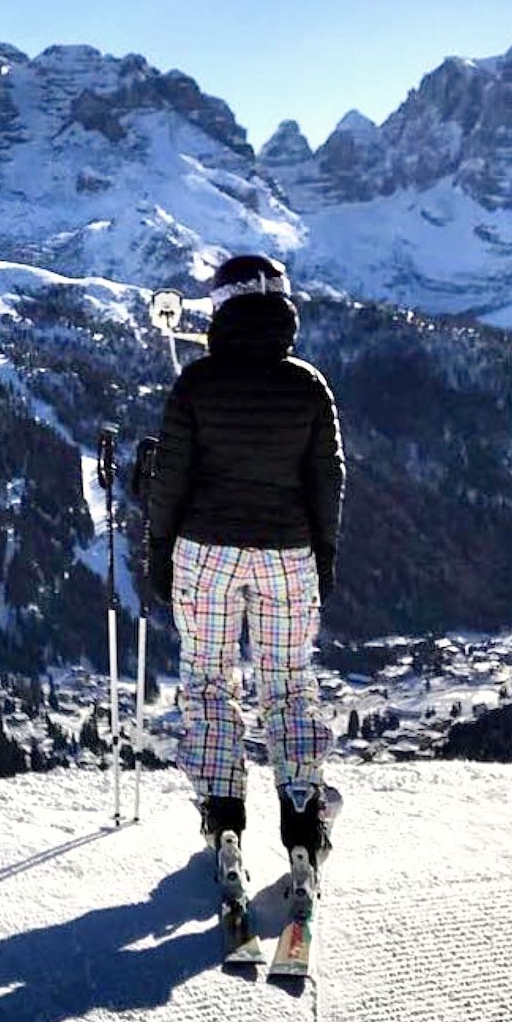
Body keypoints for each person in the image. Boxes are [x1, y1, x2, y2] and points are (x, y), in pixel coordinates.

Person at [142, 253, 345, 920]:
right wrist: (324, 554)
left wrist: (160, 552)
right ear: (283, 309)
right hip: (288, 552)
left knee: (209, 682)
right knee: (286, 687)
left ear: (221, 309)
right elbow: (327, 482)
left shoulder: (196, 382)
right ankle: (302, 831)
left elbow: (168, 479)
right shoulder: (308, 386)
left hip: (206, 551)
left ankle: (224, 822)